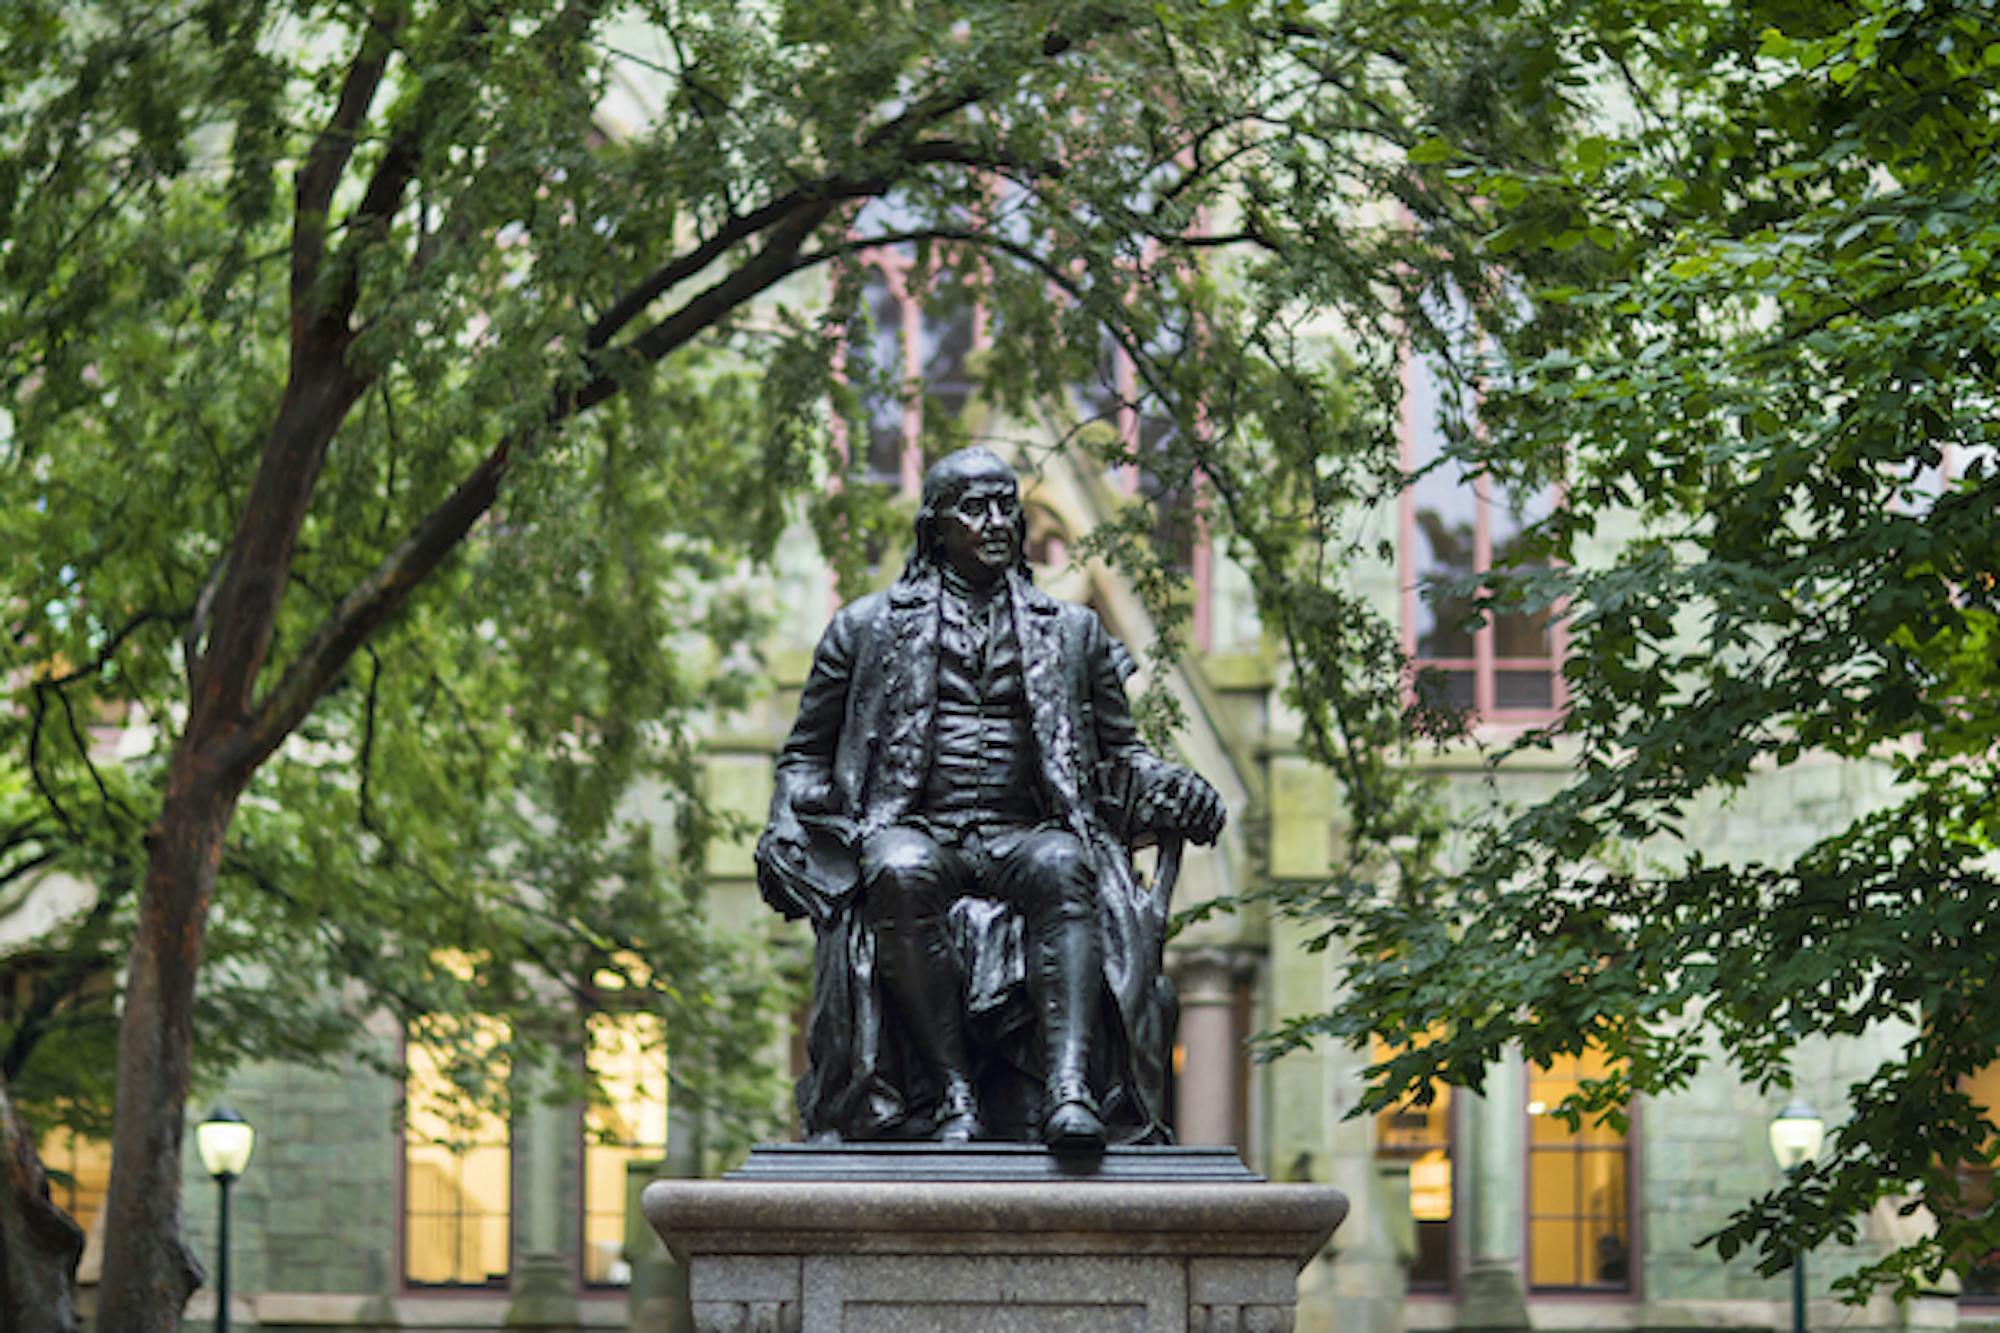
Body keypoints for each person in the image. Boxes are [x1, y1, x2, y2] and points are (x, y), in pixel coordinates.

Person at [755, 446, 1225, 1149]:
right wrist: (788, 825)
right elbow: (804, 754)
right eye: (974, 508)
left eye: (1007, 504)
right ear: (935, 527)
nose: (997, 520)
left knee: (1067, 864)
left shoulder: (1073, 631)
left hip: (1024, 830)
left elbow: (1121, 757)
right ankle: (953, 1092)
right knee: (898, 869)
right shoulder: (864, 628)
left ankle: (1069, 1091)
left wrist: (1173, 786)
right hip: (915, 826)